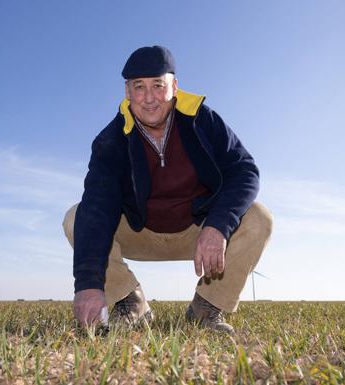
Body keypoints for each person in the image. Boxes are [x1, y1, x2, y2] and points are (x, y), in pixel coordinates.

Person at [63, 45, 273, 334]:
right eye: (139, 87)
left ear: (174, 87)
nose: (149, 98)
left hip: (198, 231)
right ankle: (130, 301)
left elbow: (244, 171)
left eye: (158, 86)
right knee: (78, 217)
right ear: (127, 91)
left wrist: (218, 226)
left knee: (259, 217)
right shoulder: (111, 140)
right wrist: (87, 284)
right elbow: (99, 204)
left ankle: (206, 308)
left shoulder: (204, 120)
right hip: (141, 232)